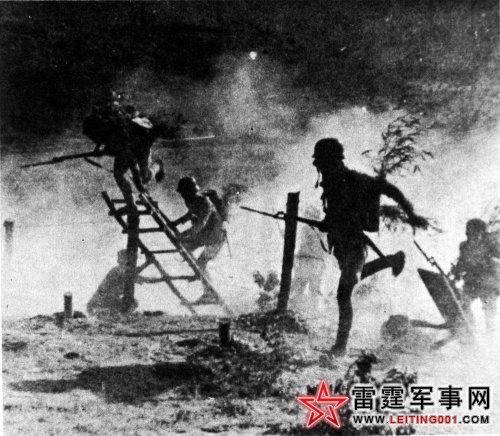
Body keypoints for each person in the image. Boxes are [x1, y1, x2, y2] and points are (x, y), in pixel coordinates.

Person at [312, 138, 429, 356]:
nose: (316, 165)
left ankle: (340, 347)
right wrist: (326, 223)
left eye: (320, 161)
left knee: (343, 293)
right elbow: (335, 214)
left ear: (333, 161)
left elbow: (388, 189)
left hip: (354, 245)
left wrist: (411, 215)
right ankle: (391, 260)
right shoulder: (331, 183)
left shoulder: (353, 179)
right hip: (341, 246)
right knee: (351, 281)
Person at [82, 92, 163, 214]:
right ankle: (131, 205)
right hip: (127, 150)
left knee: (143, 178)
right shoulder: (104, 124)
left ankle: (157, 165)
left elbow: (118, 147)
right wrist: (98, 150)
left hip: (139, 148)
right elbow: (107, 143)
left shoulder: (112, 124)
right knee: (121, 175)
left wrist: (102, 151)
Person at [171, 176, 226, 304]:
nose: (183, 196)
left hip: (216, 236)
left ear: (190, 191)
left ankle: (209, 293)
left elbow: (202, 222)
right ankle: (198, 272)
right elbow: (191, 213)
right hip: (205, 235)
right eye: (182, 193)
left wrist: (186, 233)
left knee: (201, 262)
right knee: (185, 248)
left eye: (184, 192)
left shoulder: (204, 202)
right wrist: (177, 222)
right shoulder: (191, 200)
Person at [451, 219, 500, 331]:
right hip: (472, 281)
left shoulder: (491, 245)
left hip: (489, 283)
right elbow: (461, 262)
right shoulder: (464, 246)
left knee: (489, 312)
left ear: (482, 233)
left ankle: (490, 335)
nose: (472, 236)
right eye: (469, 233)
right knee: (463, 303)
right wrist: (456, 273)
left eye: (476, 233)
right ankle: (469, 327)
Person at [290, 205, 329, 311]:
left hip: (305, 261)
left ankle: (295, 309)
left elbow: (305, 245)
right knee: (314, 291)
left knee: (299, 288)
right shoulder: (323, 231)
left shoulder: (306, 229)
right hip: (318, 263)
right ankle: (312, 310)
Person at [87, 249, 139, 317]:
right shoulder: (117, 270)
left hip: (104, 301)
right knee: (129, 302)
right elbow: (135, 277)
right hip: (98, 303)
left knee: (133, 302)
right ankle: (105, 314)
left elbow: (135, 277)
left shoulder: (124, 271)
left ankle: (116, 315)